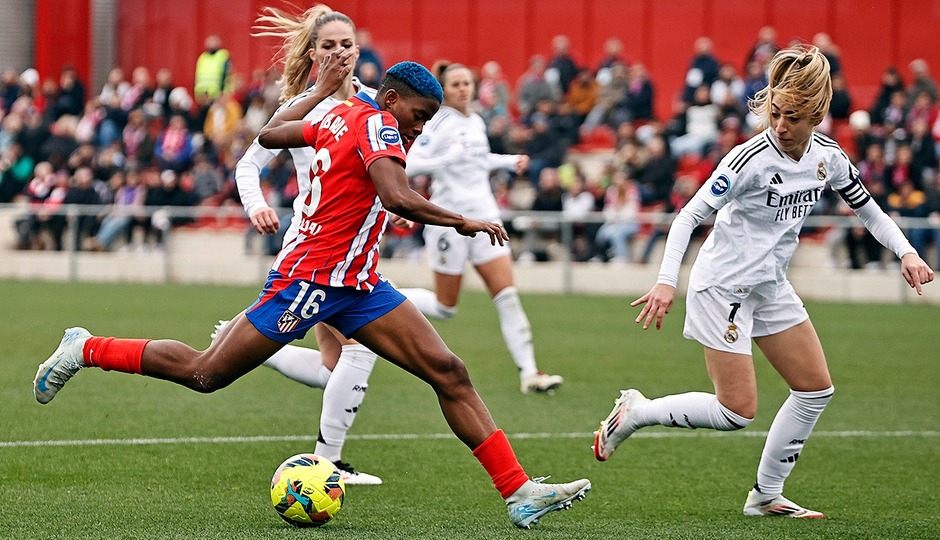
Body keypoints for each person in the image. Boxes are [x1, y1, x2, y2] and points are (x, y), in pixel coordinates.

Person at [33, 51, 590, 529]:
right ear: (392, 100)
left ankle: (519, 493)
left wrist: (321, 92)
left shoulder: (342, 114)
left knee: (449, 372)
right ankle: (86, 347)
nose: (419, 130)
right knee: (205, 374)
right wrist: (461, 220)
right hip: (311, 280)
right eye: (418, 118)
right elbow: (396, 198)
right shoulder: (377, 125)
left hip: (359, 283)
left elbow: (271, 134)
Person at [592, 45, 934, 518]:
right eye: (774, 112)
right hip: (723, 286)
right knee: (737, 411)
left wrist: (908, 252)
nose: (779, 125)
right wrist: (667, 281)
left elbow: (868, 209)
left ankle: (765, 496)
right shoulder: (748, 159)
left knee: (815, 389)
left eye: (791, 117)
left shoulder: (828, 158)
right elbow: (689, 215)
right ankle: (638, 411)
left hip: (770, 286)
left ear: (816, 115)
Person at [233, 4, 384, 484]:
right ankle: (328, 464)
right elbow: (247, 164)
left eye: (346, 44)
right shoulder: (302, 106)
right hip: (315, 245)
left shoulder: (374, 102)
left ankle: (261, 347)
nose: (339, 53)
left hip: (354, 246)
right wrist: (257, 204)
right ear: (314, 53)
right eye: (329, 46)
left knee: (334, 364)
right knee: (355, 355)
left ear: (358, 50)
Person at [397, 62, 564, 395]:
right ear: (443, 89)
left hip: (486, 217)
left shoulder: (476, 121)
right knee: (446, 308)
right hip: (449, 221)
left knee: (508, 297)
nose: (462, 88)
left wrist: (507, 161)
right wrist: (445, 159)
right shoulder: (437, 123)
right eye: (455, 84)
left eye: (467, 82)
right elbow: (411, 163)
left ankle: (530, 373)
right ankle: (386, 297)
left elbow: (479, 159)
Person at [194, 35, 232, 102]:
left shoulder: (223, 56)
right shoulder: (202, 57)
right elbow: (198, 76)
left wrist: (222, 93)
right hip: (202, 95)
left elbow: (226, 75)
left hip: (217, 95)